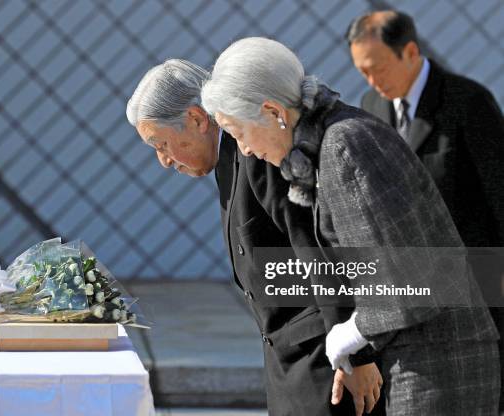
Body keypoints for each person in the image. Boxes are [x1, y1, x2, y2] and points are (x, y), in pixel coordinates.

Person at [201, 36, 500, 415]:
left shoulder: (345, 145)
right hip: (423, 358)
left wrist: (354, 330)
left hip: (438, 364)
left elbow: (410, 275)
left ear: (273, 111)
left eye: (239, 131)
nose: (243, 150)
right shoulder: (330, 140)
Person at [127, 59, 385, 415]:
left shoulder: (258, 150)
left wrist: (356, 354)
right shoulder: (227, 158)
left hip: (325, 361)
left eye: (162, 144)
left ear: (198, 120)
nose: (164, 161)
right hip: (289, 360)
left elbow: (318, 247)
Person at [346, 11, 504, 408]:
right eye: (362, 71)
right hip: (410, 288)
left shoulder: (468, 102)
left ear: (410, 51)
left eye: (377, 68)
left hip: (476, 283)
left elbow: (500, 192)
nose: (371, 81)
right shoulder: (372, 105)